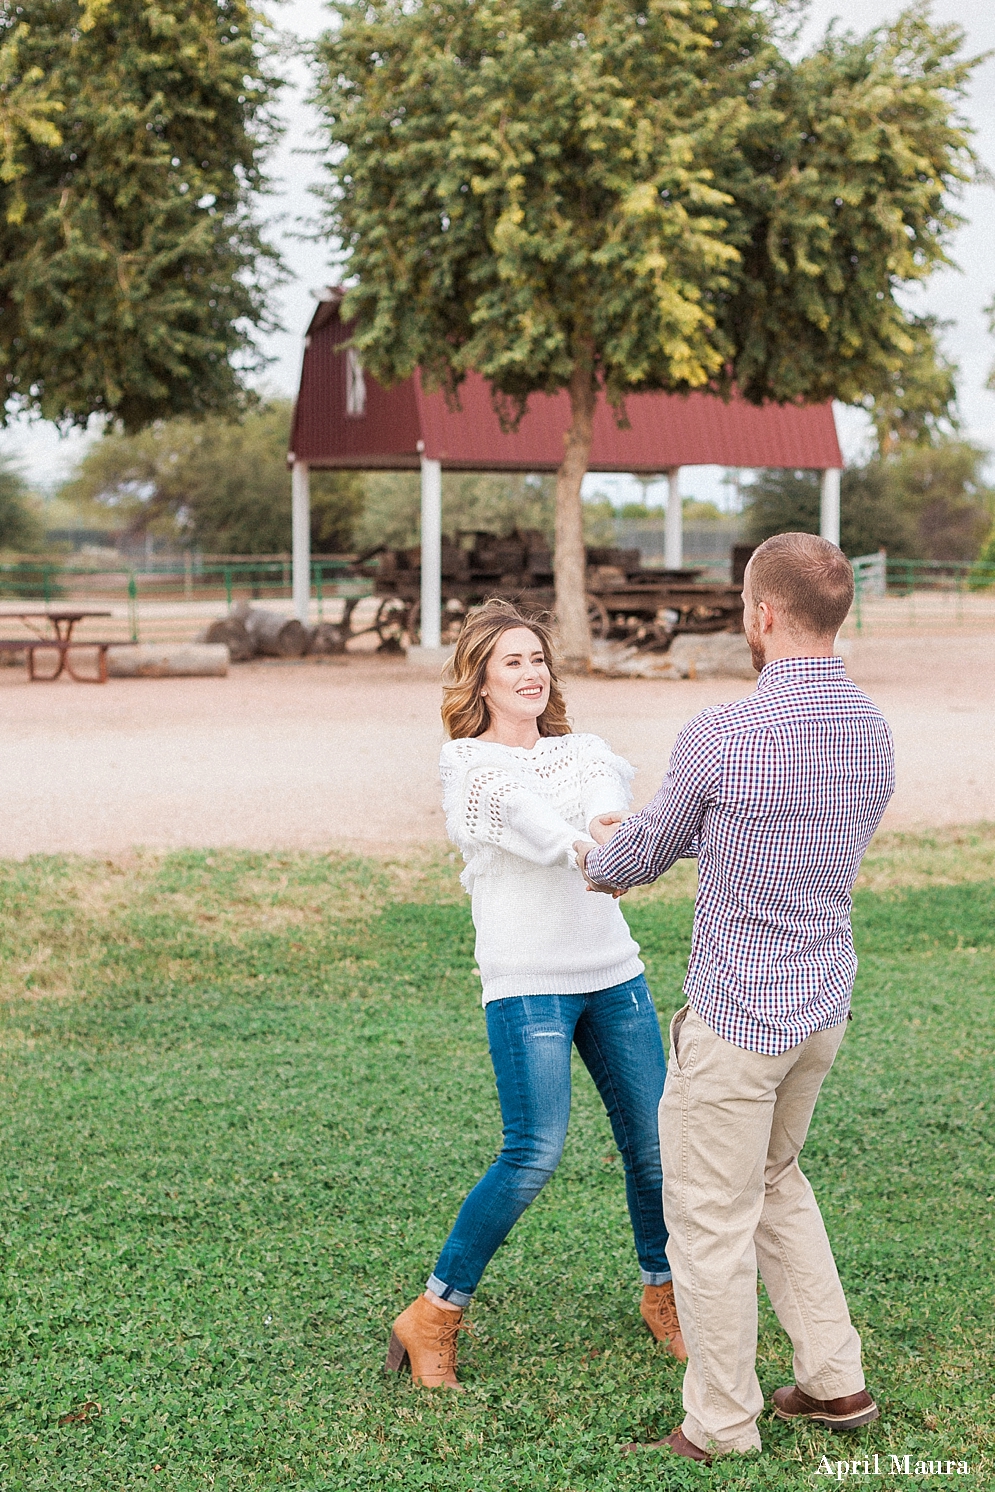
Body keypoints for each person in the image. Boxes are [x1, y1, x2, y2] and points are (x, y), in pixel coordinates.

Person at [578, 533, 895, 1463]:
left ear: (759, 614)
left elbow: (632, 860)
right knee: (772, 1181)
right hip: (821, 1004)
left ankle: (720, 1424)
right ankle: (834, 1382)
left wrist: (598, 844)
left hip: (738, 1019)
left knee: (708, 1220)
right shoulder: (872, 730)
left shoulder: (725, 732)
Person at [386, 600, 683, 1389]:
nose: (530, 673)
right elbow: (516, 818)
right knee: (532, 1154)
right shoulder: (467, 765)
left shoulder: (582, 750)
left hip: (613, 973)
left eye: (537, 660)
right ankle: (432, 1315)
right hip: (528, 985)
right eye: (512, 661)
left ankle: (665, 1295)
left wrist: (607, 829)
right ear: (480, 677)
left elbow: (601, 791)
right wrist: (584, 850)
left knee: (656, 1148)